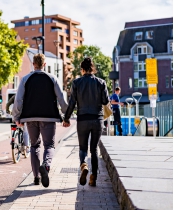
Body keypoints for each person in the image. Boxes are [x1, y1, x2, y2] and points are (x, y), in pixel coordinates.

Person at [12, 53, 68, 188]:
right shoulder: (52, 78)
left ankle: (36, 176)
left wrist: (16, 117)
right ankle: (46, 166)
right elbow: (61, 99)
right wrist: (66, 114)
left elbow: (18, 100)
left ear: (33, 64)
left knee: (34, 146)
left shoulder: (25, 79)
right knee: (49, 145)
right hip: (48, 117)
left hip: (30, 117)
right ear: (45, 64)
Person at [63, 57, 110, 187]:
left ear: (82, 69)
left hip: (82, 119)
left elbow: (72, 103)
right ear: (92, 68)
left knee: (83, 147)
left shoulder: (77, 83)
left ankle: (83, 164)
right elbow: (105, 101)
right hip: (97, 119)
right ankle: (93, 178)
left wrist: (66, 118)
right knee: (94, 149)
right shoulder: (101, 82)